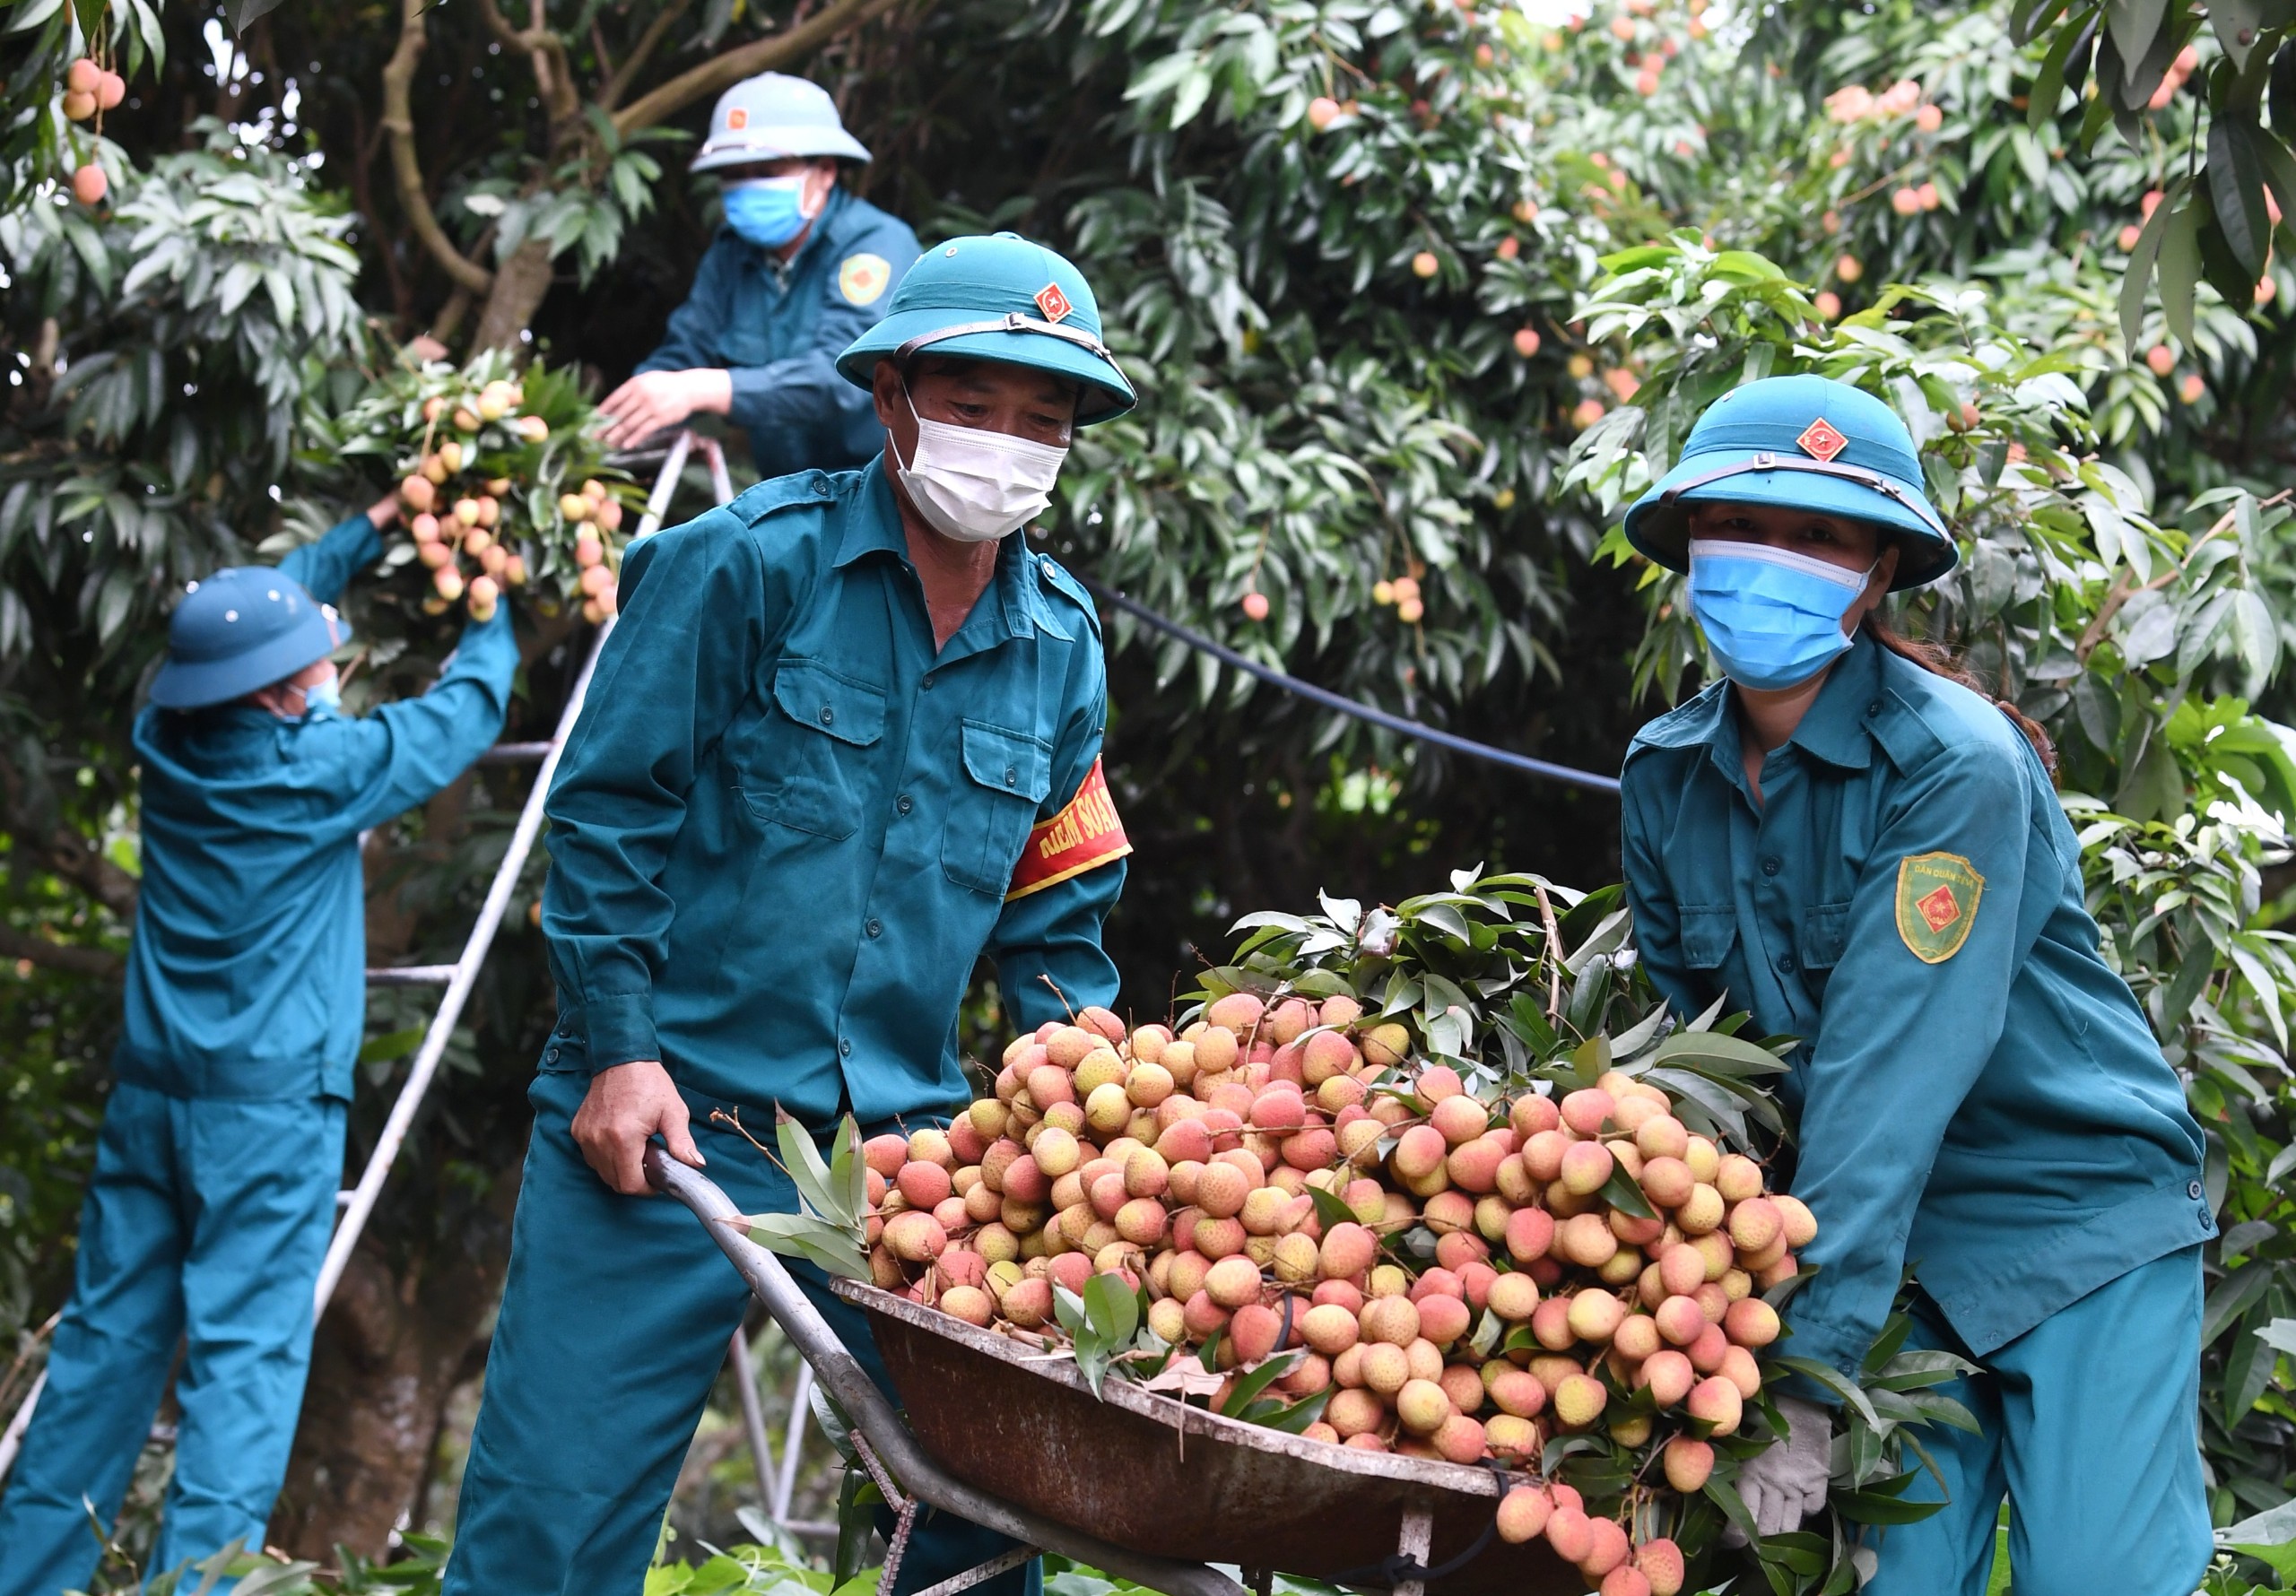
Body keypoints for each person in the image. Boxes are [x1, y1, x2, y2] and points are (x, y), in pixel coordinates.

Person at [441, 232, 1135, 1596]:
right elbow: (605, 814)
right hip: (667, 1119)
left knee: (984, 1524)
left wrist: (1082, 1139)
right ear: (891, 400)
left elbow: (1059, 928)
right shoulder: (744, 565)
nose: (1006, 444)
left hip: (906, 1159)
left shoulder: (1062, 650)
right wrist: (621, 1050)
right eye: (973, 406)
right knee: (553, 1526)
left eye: (1041, 422)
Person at [1614, 375, 2214, 1594]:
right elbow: (1704, 1083)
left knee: (2098, 1578)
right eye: (1742, 527)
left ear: (1879, 573)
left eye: (1820, 535)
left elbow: (1886, 1081)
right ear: (1688, 544)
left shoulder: (1956, 768)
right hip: (1885, 1257)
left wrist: (1803, 1376)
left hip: (2071, 1214)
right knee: (1891, 1583)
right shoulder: (1664, 774)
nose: (1771, 558)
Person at [0, 499, 518, 1596]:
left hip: (152, 1099)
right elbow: (465, 713)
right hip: (265, 1117)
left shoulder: (165, 740)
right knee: (241, 1377)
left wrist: (369, 528)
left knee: (101, 1361)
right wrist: (495, 608)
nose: (331, 670)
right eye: (316, 665)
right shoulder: (314, 771)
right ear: (283, 696)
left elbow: (239, 619)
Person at [597, 72, 921, 477]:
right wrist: (619, 421)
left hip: (887, 486)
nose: (747, 186)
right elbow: (685, 354)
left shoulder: (875, 245)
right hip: (789, 494)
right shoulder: (731, 254)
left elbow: (843, 377)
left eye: (767, 170)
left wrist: (702, 389)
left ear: (825, 171)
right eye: (734, 174)